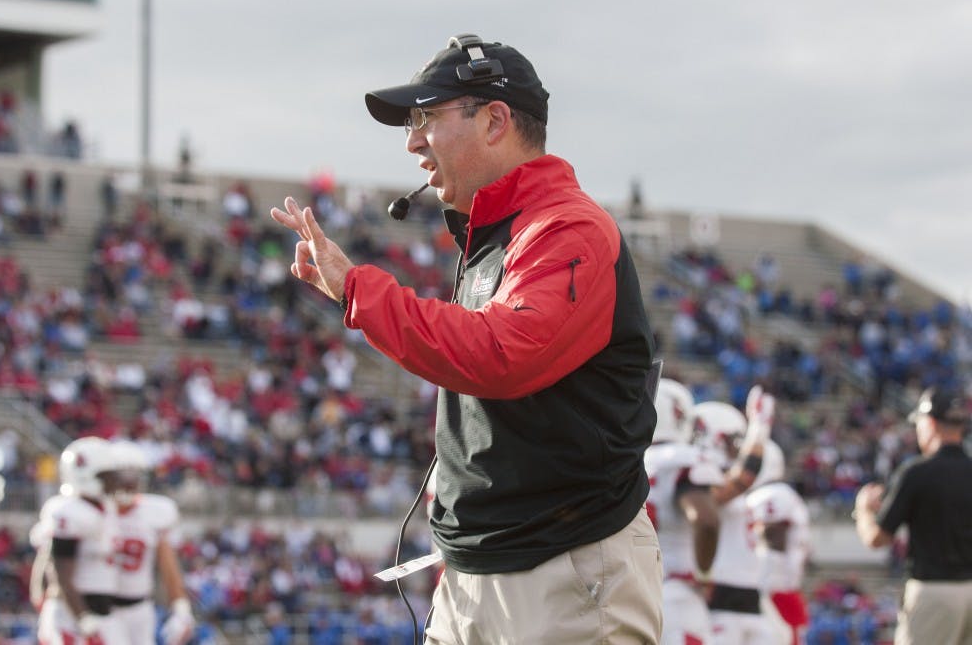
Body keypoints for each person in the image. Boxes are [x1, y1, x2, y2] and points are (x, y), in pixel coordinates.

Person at [272, 33, 662, 643]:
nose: (412, 141)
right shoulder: (498, 235)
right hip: (480, 567)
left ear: (495, 120)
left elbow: (502, 354)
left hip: (564, 569)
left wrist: (360, 292)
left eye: (427, 116)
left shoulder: (568, 227)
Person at [854, 386, 972, 645]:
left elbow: (878, 538)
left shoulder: (917, 473)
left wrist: (863, 510)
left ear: (929, 423)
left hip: (932, 590)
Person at [691, 396, 779, 645]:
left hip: (748, 596)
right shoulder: (698, 476)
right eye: (733, 440)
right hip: (719, 596)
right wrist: (760, 426)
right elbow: (744, 477)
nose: (738, 447)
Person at [645, 378, 723, 645]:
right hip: (677, 591)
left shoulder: (627, 461)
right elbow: (706, 521)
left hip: (633, 592)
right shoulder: (682, 457)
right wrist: (705, 574)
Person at [32, 436, 128, 644]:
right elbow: (59, 574)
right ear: (88, 475)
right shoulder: (68, 511)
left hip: (101, 611)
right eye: (108, 475)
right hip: (73, 614)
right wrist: (84, 622)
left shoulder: (106, 509)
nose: (115, 481)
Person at [106, 439, 195, 645]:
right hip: (99, 607)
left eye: (133, 474)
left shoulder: (155, 512)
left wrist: (181, 609)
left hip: (139, 608)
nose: (128, 482)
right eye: (122, 475)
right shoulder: (94, 511)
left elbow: (168, 564)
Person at [745, 440, 811, 645]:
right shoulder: (785, 494)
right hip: (783, 585)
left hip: (772, 587)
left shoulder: (771, 495)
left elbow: (772, 537)